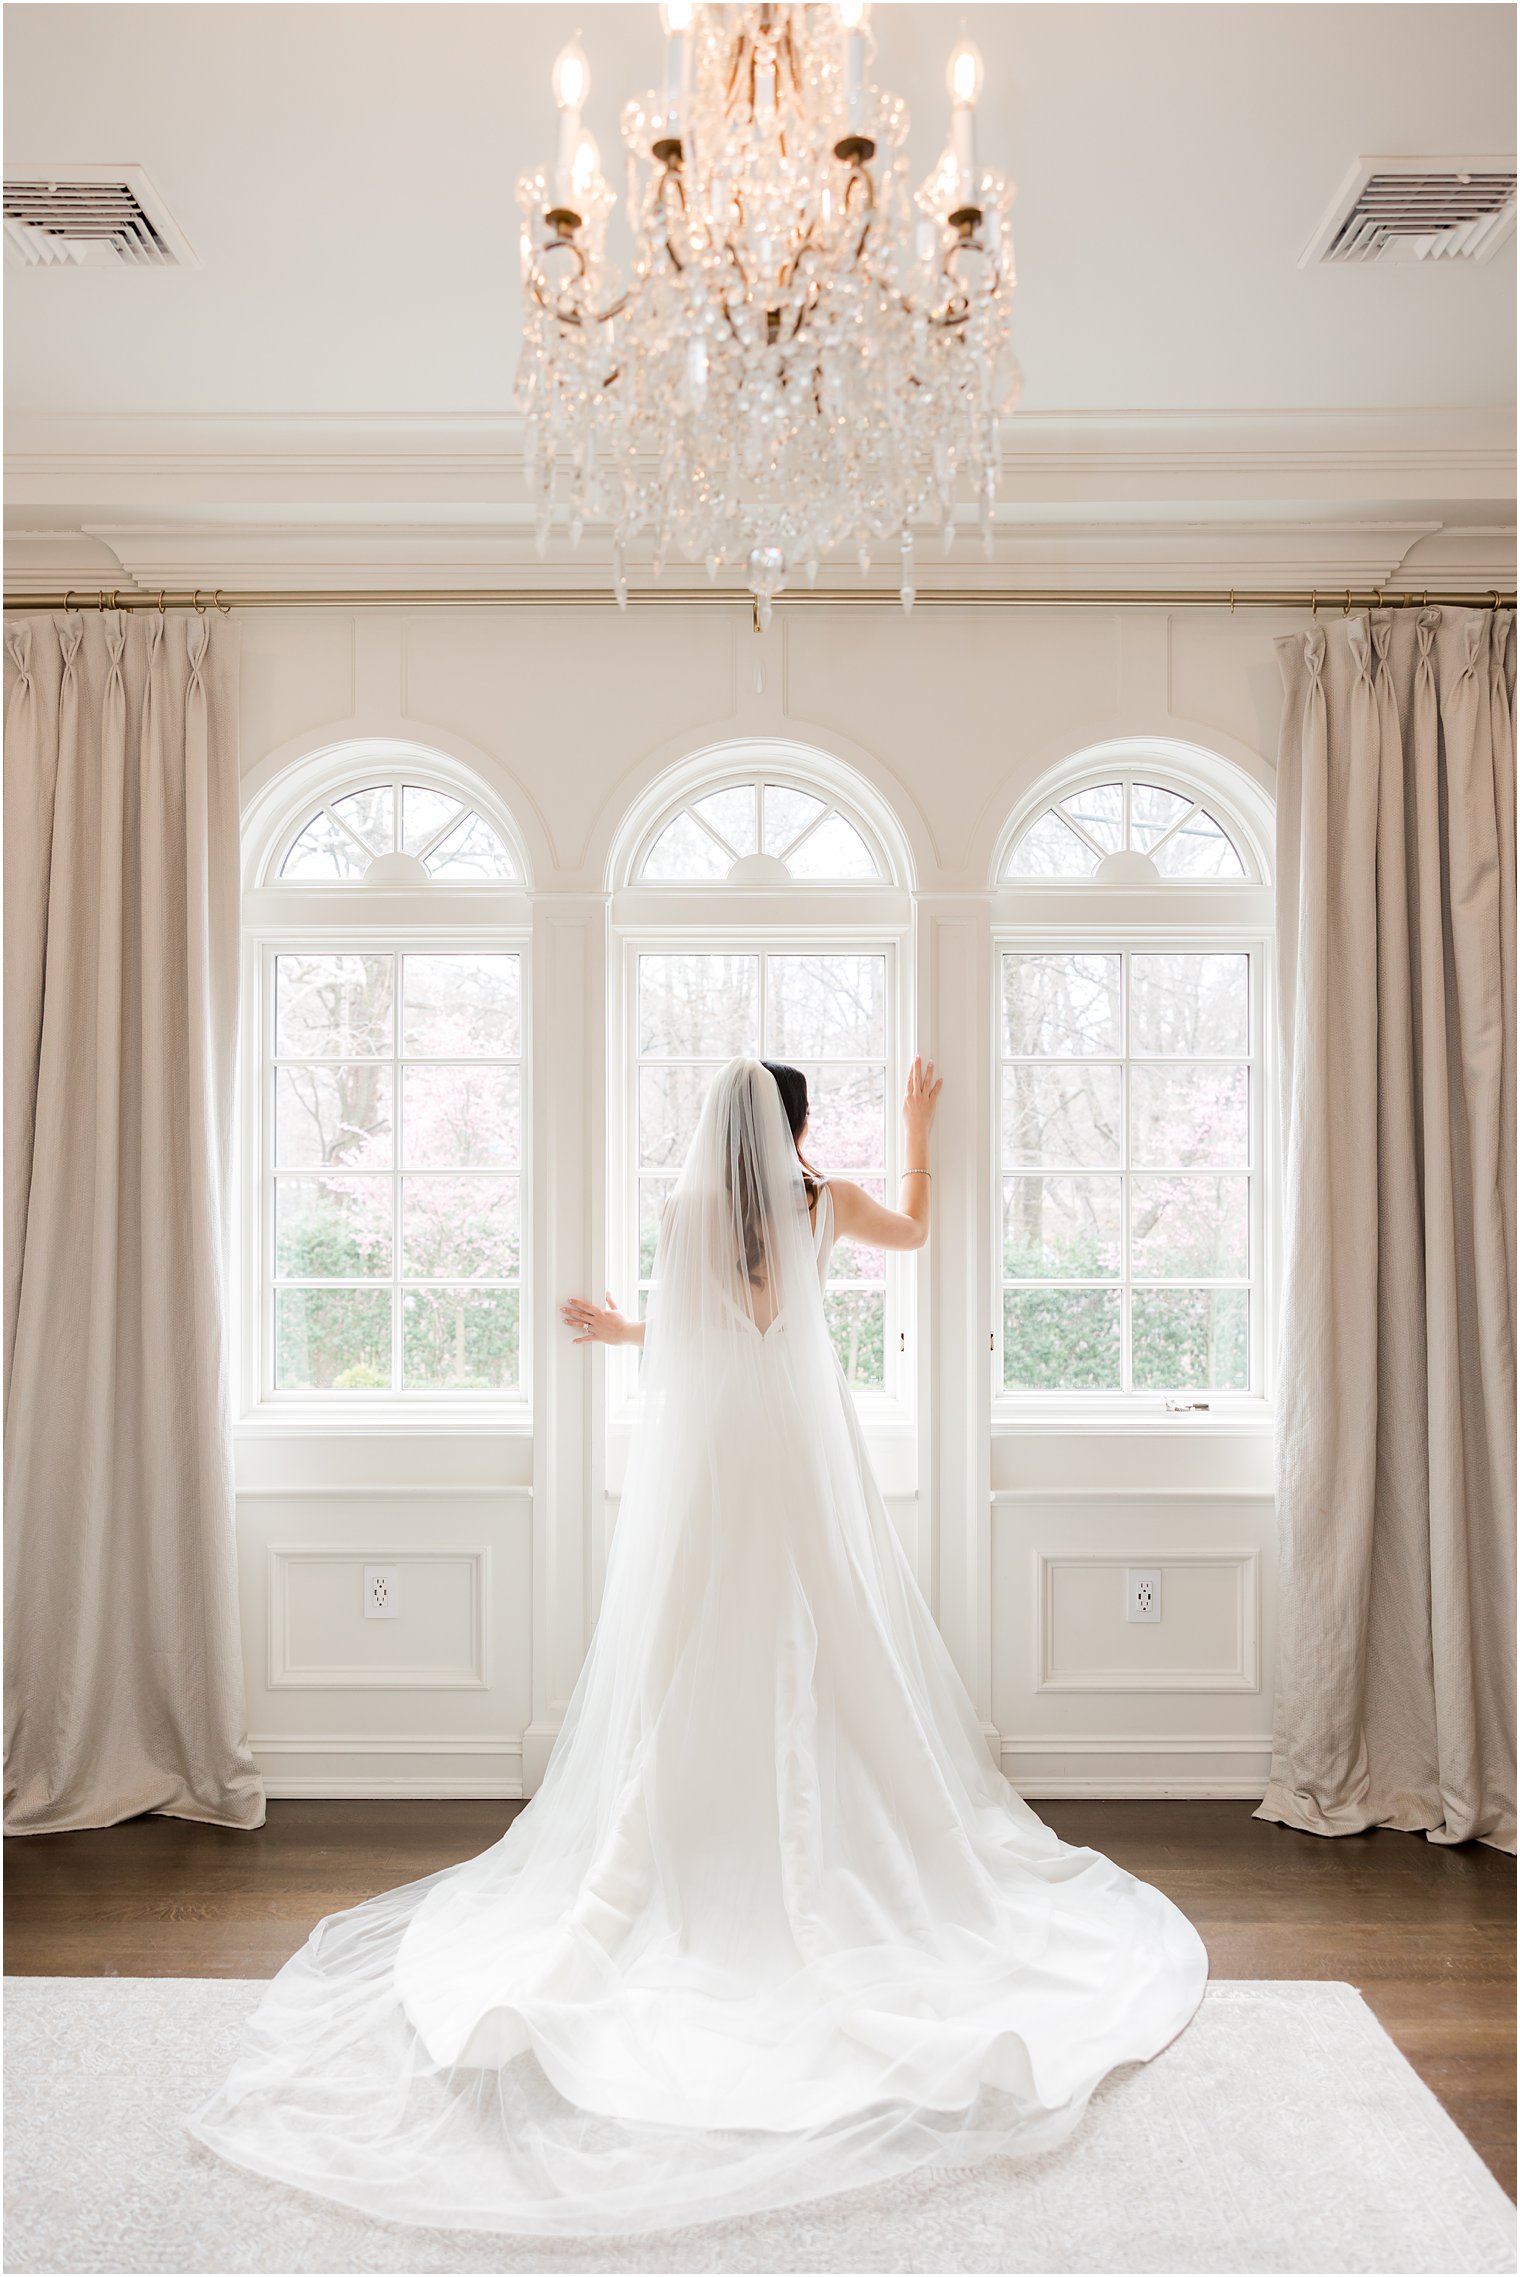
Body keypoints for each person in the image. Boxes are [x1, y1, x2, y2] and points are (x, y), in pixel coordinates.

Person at [190, 1056, 1206, 2238]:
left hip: (725, 1458)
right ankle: (836, 1845)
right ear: (799, 1126)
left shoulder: (684, 1216)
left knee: (706, 1637)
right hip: (803, 1458)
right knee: (828, 1634)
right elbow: (920, 1234)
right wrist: (921, 1129)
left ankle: (690, 1841)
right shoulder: (821, 1204)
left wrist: (622, 1327)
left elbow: (687, 1345)